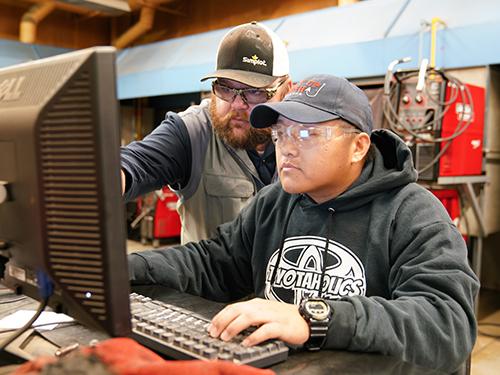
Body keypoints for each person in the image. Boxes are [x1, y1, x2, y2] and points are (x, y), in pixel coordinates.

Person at [128, 74, 479, 372]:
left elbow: (448, 322)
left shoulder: (413, 213)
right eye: (281, 135)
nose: (287, 149)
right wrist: (123, 268)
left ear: (358, 147)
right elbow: (212, 263)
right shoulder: (275, 201)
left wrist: (316, 318)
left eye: (307, 135)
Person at [121, 21, 292, 244]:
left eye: (254, 92)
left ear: (286, 90)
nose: (236, 105)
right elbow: (135, 163)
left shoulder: (304, 136)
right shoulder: (192, 132)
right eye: (225, 88)